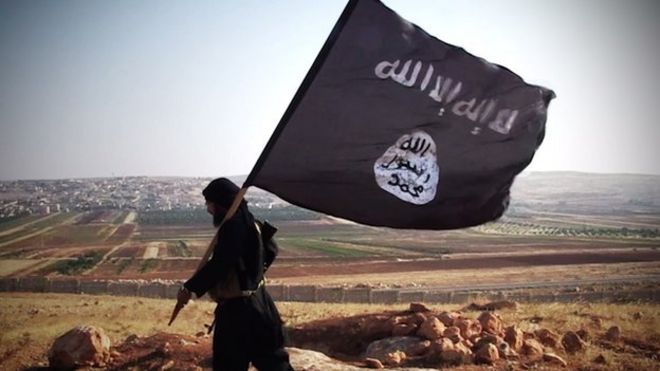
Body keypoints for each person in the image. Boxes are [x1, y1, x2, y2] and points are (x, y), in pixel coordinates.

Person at [177, 178, 293, 371]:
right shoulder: (250, 221)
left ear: (221, 203)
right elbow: (271, 250)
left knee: (230, 364)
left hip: (239, 313)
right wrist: (252, 277)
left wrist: (190, 288)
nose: (208, 209)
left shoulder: (234, 226)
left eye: (210, 204)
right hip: (260, 304)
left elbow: (221, 263)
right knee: (274, 362)